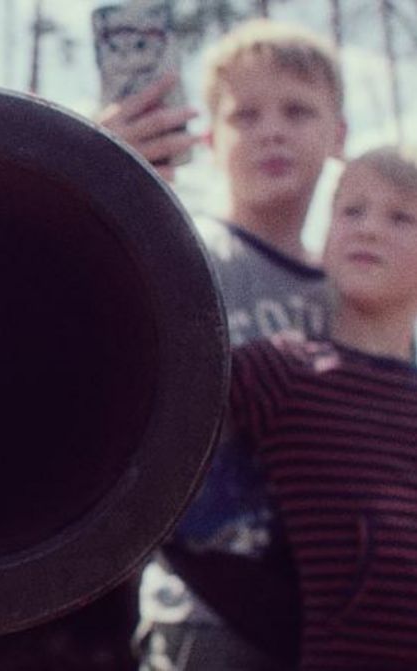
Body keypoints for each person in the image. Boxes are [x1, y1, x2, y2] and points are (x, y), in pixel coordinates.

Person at [99, 19, 348, 669]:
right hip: (204, 615)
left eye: (298, 110)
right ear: (210, 139)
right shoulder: (181, 254)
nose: (272, 130)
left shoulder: (355, 293)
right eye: (246, 115)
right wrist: (99, 179)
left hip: (332, 620)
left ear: (340, 134)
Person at [229, 145, 417, 669]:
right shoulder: (287, 367)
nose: (369, 229)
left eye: (402, 217)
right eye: (351, 211)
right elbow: (165, 397)